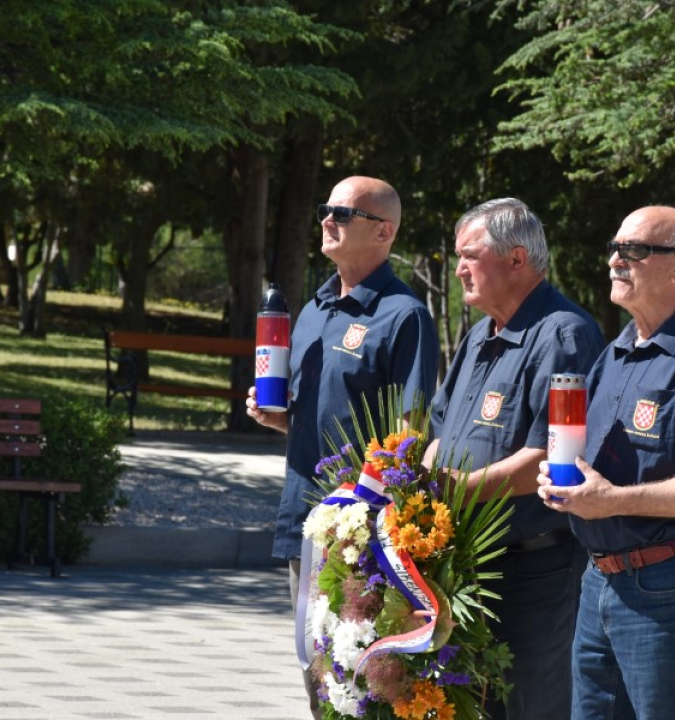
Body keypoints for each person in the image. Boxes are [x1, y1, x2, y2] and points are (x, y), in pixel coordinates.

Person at [536, 205, 675, 720]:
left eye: (634, 250)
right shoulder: (614, 353)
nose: (616, 260)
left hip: (669, 584)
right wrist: (564, 481)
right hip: (598, 582)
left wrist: (610, 502)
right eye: (614, 248)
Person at [246, 175, 439, 719]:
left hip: (362, 533)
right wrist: (278, 418)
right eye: (324, 209)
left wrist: (375, 519)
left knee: (364, 682)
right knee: (316, 676)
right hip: (302, 520)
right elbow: (316, 419)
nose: (327, 220)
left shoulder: (405, 316)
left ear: (383, 232)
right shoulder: (312, 310)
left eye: (342, 213)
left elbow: (409, 433)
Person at [422, 197, 606, 720]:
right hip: (466, 565)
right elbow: (440, 430)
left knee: (529, 707)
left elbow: (550, 455)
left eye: (469, 255)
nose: (458, 268)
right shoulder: (480, 335)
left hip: (533, 569)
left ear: (517, 259)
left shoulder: (564, 335)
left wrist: (456, 490)